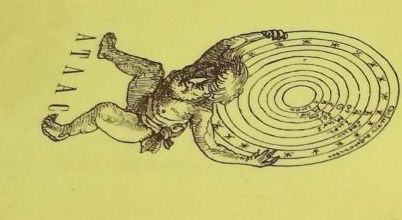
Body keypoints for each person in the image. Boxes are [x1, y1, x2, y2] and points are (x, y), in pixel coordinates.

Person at [41, 30, 286, 166]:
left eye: (204, 85)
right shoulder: (204, 66)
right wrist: (264, 35)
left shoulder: (200, 111)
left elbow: (210, 148)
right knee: (153, 70)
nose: (197, 80)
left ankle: (63, 131)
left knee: (105, 110)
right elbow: (226, 43)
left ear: (212, 94)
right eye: (206, 74)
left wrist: (249, 160)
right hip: (144, 99)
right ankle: (109, 53)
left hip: (140, 126)